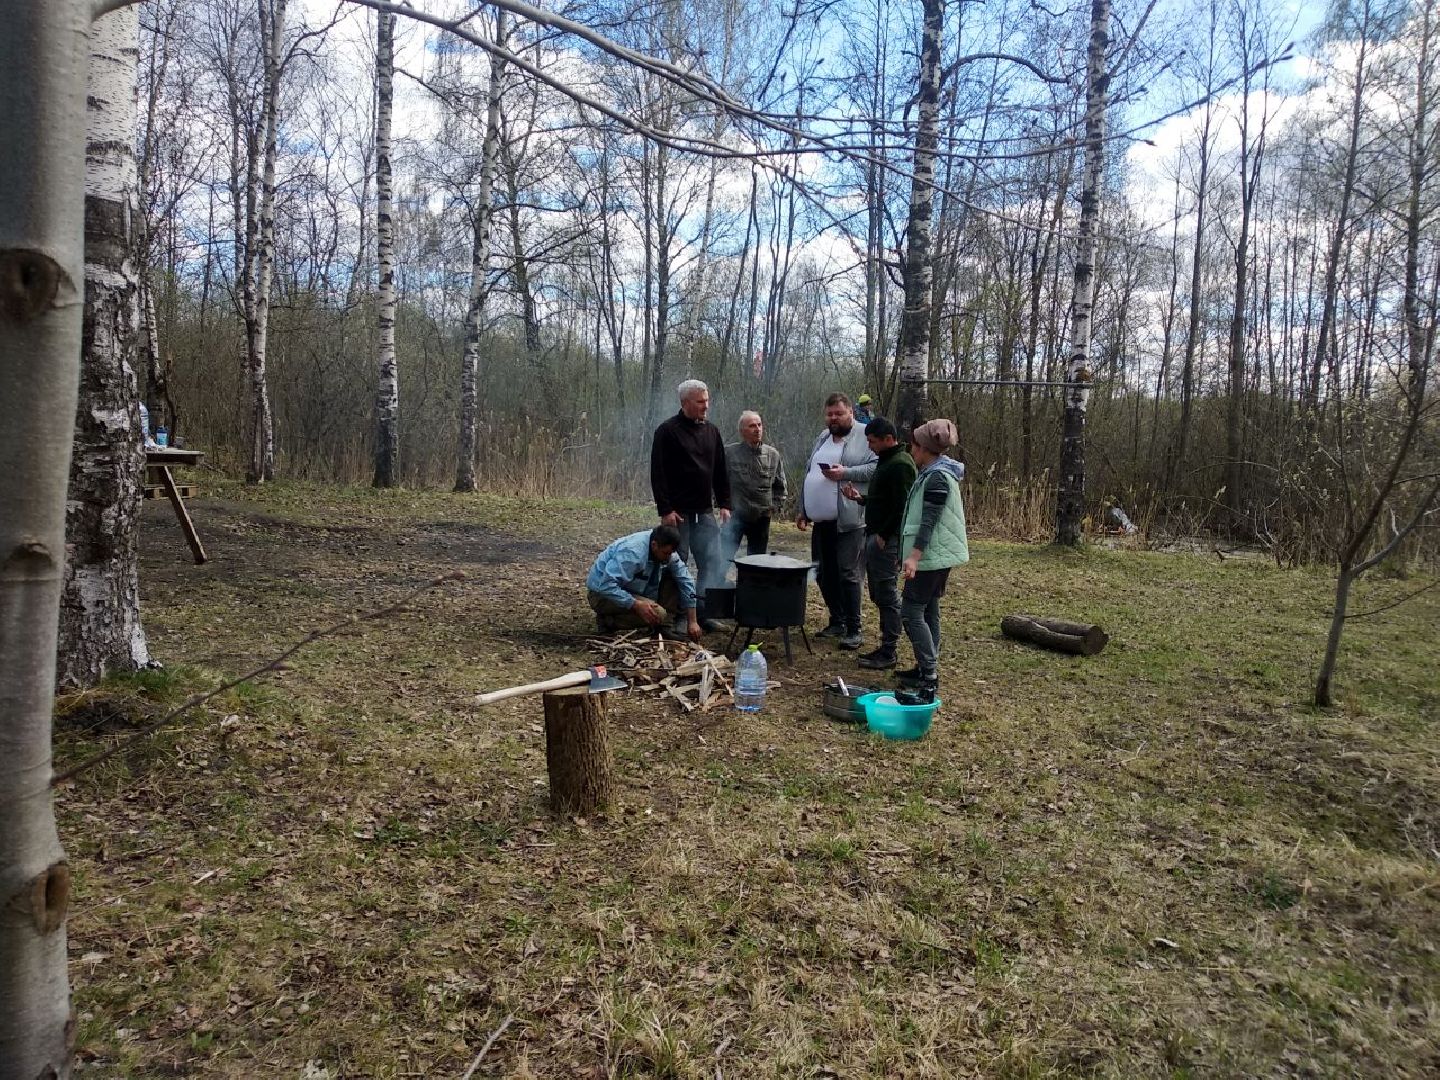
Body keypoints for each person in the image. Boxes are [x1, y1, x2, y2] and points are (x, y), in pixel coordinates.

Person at [796, 392, 877, 650]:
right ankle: (836, 620)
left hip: (850, 520)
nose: (833, 418)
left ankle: (854, 629)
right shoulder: (822, 437)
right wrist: (803, 509)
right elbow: (811, 472)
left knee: (848, 574)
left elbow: (877, 467)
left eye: (838, 413)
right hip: (821, 521)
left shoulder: (865, 436)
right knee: (822, 573)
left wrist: (846, 473)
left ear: (850, 412)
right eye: (829, 414)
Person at [896, 418, 969, 702]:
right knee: (929, 611)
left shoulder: (937, 476)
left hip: (930, 555)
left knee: (911, 612)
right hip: (936, 555)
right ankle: (924, 668)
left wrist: (914, 557)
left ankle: (929, 676)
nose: (911, 450)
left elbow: (929, 521)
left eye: (913, 445)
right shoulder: (933, 472)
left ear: (924, 448)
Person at [650, 379, 731, 630]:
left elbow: (720, 471)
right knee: (677, 563)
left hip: (704, 512)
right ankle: (679, 616)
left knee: (711, 561)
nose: (706, 406)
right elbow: (658, 473)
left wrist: (725, 504)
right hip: (678, 513)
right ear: (685, 403)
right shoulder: (667, 431)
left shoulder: (712, 431)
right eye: (700, 402)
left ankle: (704, 614)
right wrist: (665, 510)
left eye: (707, 401)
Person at [840, 416, 916, 670]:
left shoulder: (900, 465)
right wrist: (861, 499)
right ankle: (885, 645)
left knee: (886, 593)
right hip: (877, 535)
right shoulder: (887, 462)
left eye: (873, 442)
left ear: (887, 439)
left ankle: (889, 650)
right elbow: (884, 499)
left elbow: (902, 505)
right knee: (879, 592)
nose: (870, 446)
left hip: (887, 540)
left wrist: (886, 534)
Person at [586, 525, 702, 642]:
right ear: (654, 545)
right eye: (666, 553)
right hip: (601, 594)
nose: (669, 557)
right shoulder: (633, 553)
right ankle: (608, 622)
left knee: (675, 576)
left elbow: (686, 580)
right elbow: (606, 585)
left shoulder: (665, 549)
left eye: (670, 553)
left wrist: (693, 621)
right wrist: (635, 604)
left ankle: (663, 628)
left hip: (631, 589)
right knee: (658, 613)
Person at [723, 410, 786, 564]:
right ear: (742, 431)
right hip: (735, 516)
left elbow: (780, 487)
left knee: (757, 562)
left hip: (761, 518)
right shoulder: (730, 453)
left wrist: (774, 508)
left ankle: (752, 588)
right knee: (723, 557)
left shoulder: (773, 455)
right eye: (752, 426)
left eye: (759, 425)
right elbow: (718, 482)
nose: (757, 429)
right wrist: (722, 505)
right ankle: (716, 586)